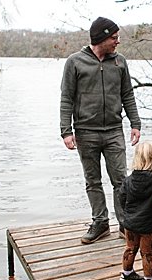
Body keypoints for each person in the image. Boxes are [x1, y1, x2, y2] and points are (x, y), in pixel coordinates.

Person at [60, 17, 142, 244]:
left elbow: (128, 95)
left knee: (121, 180)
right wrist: (66, 131)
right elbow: (66, 98)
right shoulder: (75, 62)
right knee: (93, 180)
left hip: (114, 130)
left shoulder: (120, 62)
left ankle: (125, 224)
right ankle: (100, 222)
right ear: (100, 38)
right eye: (114, 38)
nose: (118, 42)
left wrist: (135, 123)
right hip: (86, 132)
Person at [118, 141, 152, 280]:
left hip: (130, 223)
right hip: (149, 225)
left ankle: (126, 274)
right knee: (147, 252)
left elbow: (121, 198)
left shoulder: (129, 180)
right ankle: (149, 279)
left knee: (130, 248)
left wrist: (128, 213)